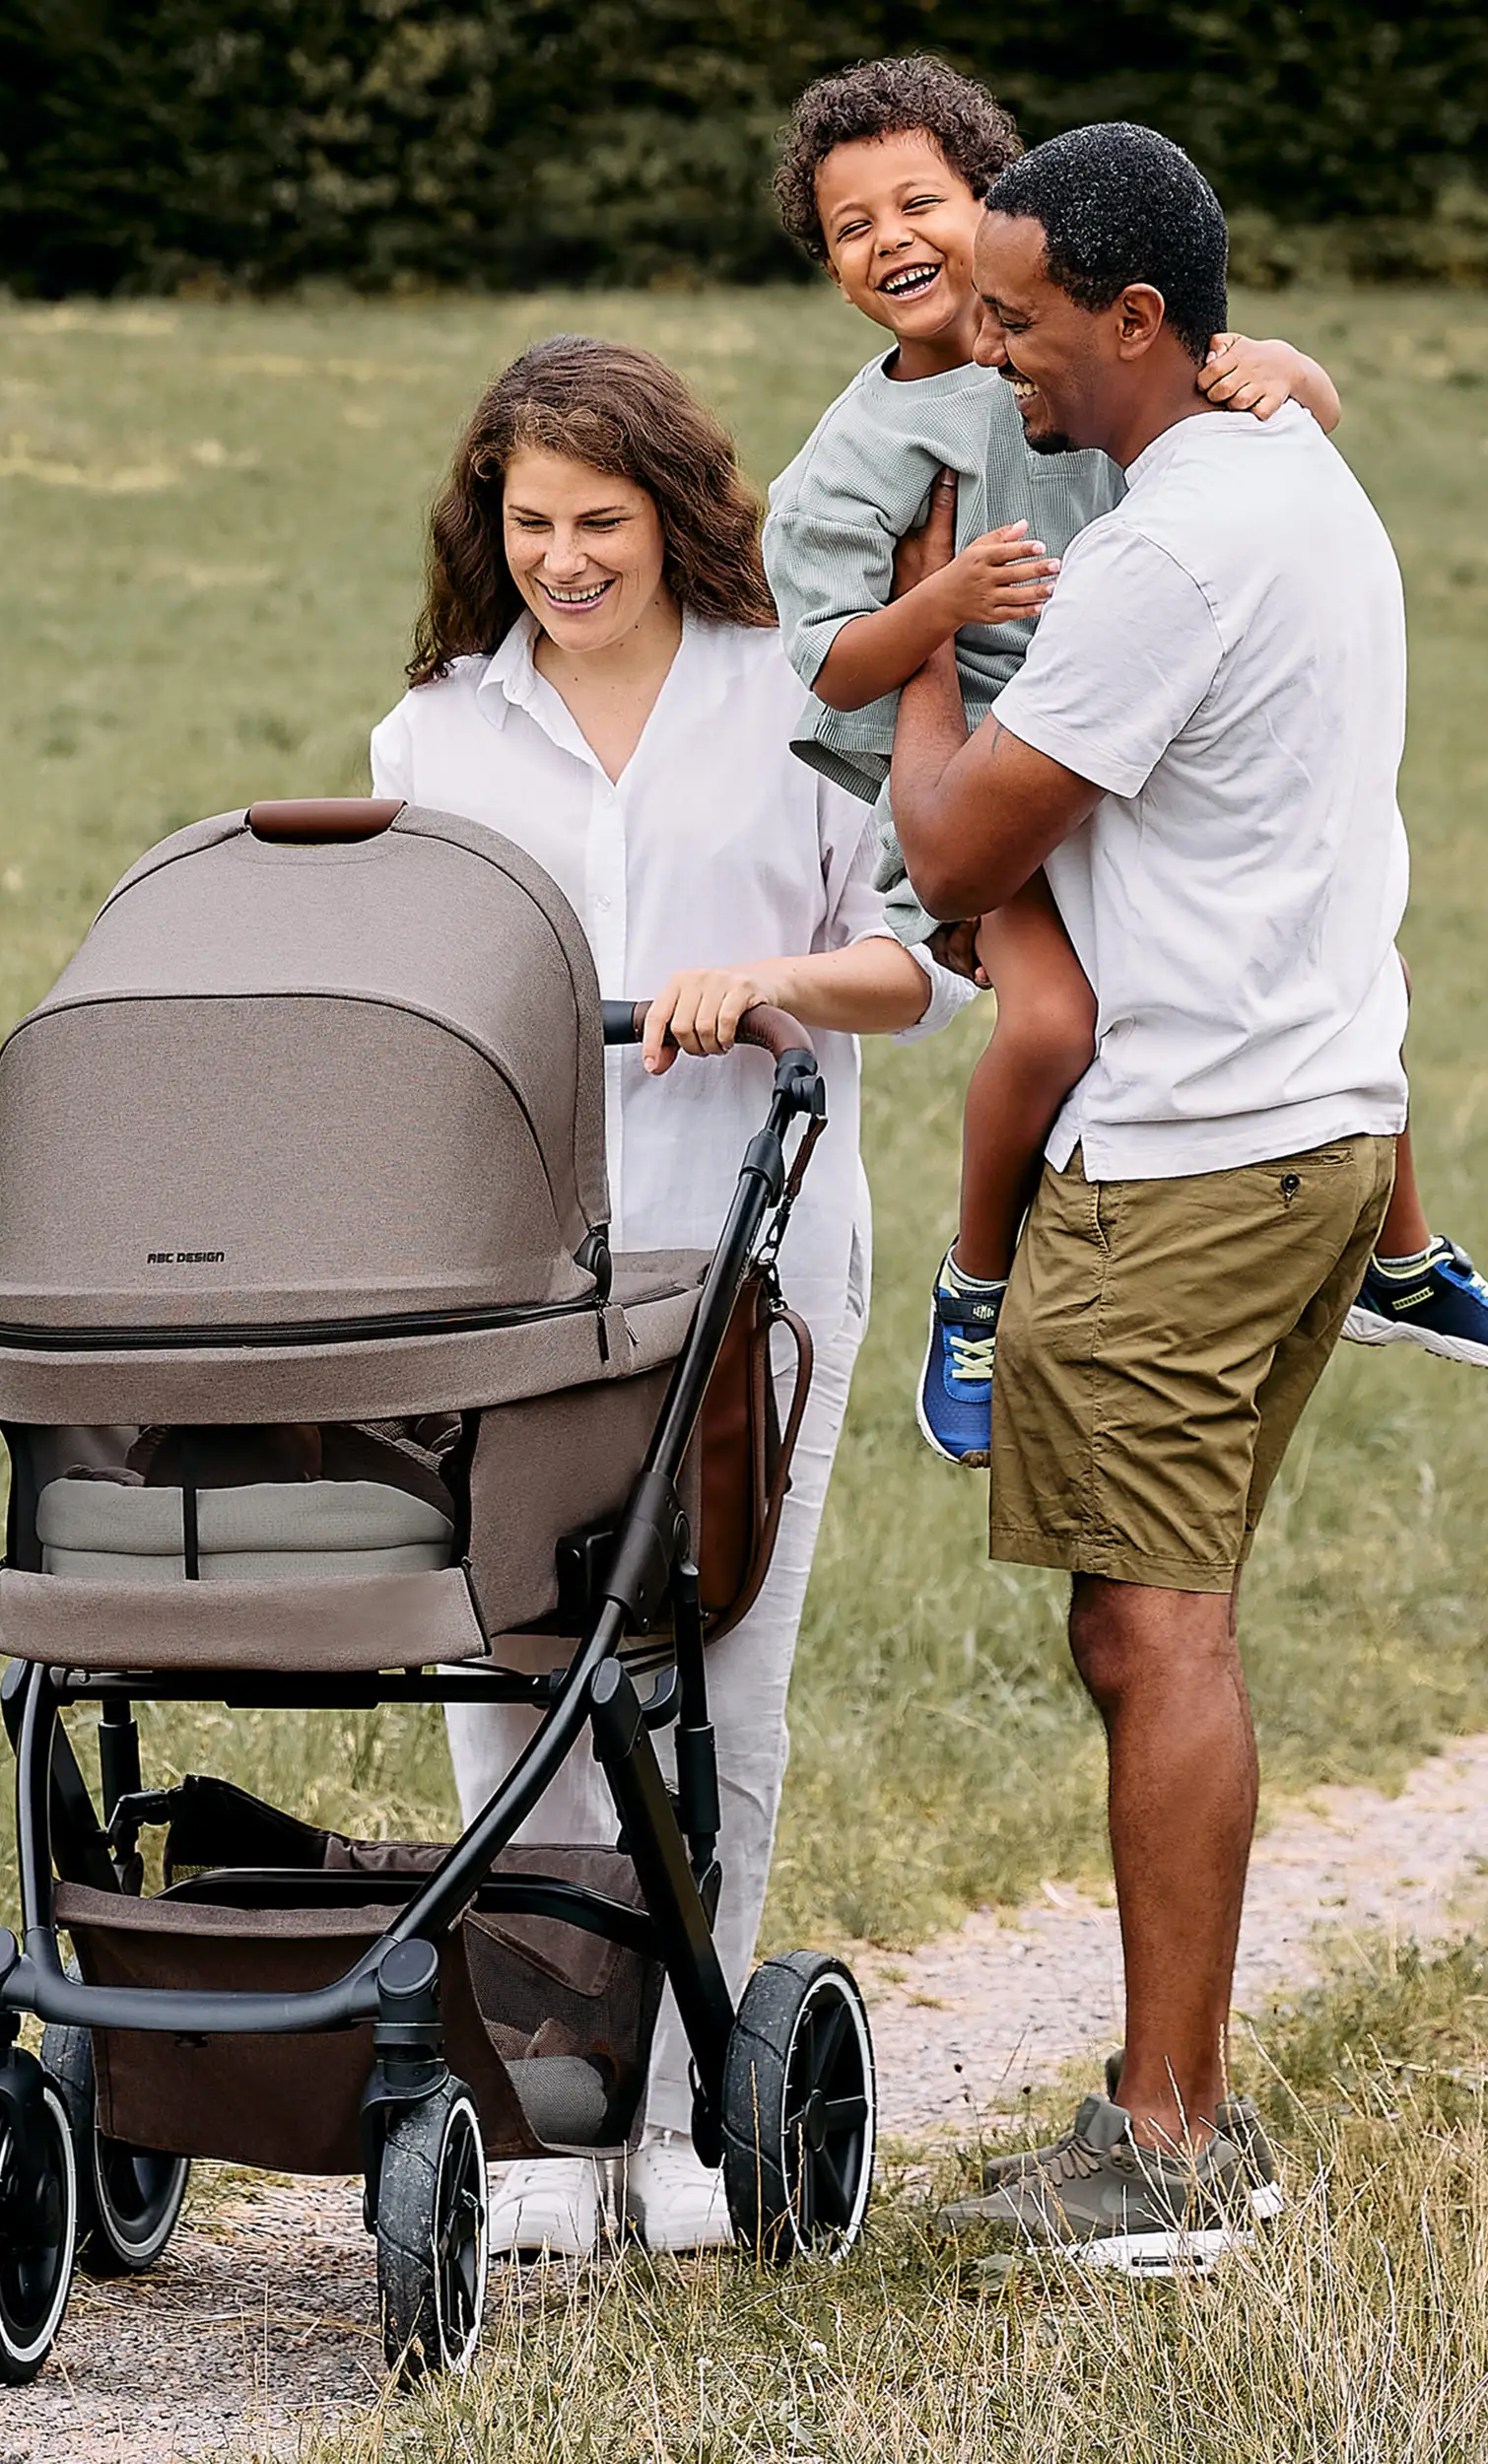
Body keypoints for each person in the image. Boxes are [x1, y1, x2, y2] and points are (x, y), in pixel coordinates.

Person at [884, 120, 1420, 2265]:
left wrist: (913, 655)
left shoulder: (1166, 553)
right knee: (1158, 1617)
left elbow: (952, 851)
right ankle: (1175, 2103)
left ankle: (1168, 2139)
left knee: (1148, 1628)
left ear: (1132, 324)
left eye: (1016, 319)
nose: (983, 347)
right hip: (1309, 1128)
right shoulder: (1286, 471)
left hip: (1184, 1156)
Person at [761, 59, 1488, 1472]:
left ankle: (1401, 1256)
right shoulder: (856, 457)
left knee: (1366, 971)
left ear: (997, 209)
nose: (890, 239)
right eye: (848, 225)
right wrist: (935, 610)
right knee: (1055, 1024)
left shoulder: (1091, 344)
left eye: (921, 201)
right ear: (825, 264)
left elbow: (1285, 399)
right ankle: (971, 1292)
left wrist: (1288, 370)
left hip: (1137, 745)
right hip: (978, 785)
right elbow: (829, 666)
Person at [368, 336, 951, 2258]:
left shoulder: (796, 695)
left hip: (755, 1265)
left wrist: (755, 972)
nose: (561, 558)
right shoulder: (435, 733)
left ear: (676, 515)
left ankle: (688, 2120)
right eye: (527, 523)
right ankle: (544, 2120)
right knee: (514, 1682)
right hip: (510, 1278)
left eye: (597, 521)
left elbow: (913, 964)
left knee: (715, 1681)